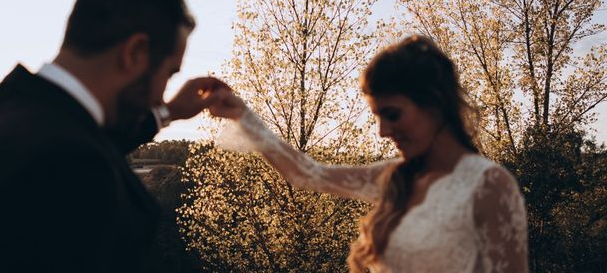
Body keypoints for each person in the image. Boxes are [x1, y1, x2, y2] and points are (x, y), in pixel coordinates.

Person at [0, 0, 229, 273]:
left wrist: (168, 113)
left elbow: (80, 134)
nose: (161, 95)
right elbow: (79, 155)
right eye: (169, 73)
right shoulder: (78, 174)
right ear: (135, 52)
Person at [210, 35, 529, 273]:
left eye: (392, 114)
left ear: (435, 103)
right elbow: (306, 174)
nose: (383, 131)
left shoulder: (489, 185)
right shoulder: (394, 177)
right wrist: (243, 115)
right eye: (377, 117)